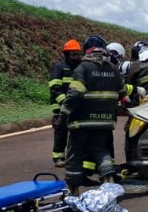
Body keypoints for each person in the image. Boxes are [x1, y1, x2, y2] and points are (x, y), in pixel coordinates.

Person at [60, 35, 129, 193]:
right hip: (105, 122)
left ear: (86, 51)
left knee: (75, 154)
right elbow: (122, 93)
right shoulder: (113, 69)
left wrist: (63, 115)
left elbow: (74, 94)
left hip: (81, 122)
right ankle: (109, 181)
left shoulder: (82, 68)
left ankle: (73, 191)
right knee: (101, 151)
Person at [48, 39, 83, 167]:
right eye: (73, 54)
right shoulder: (59, 68)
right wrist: (66, 103)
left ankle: (74, 157)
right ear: (66, 54)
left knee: (78, 134)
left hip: (78, 107)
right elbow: (55, 89)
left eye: (77, 54)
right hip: (61, 107)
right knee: (61, 132)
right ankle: (58, 157)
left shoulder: (81, 67)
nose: (76, 56)